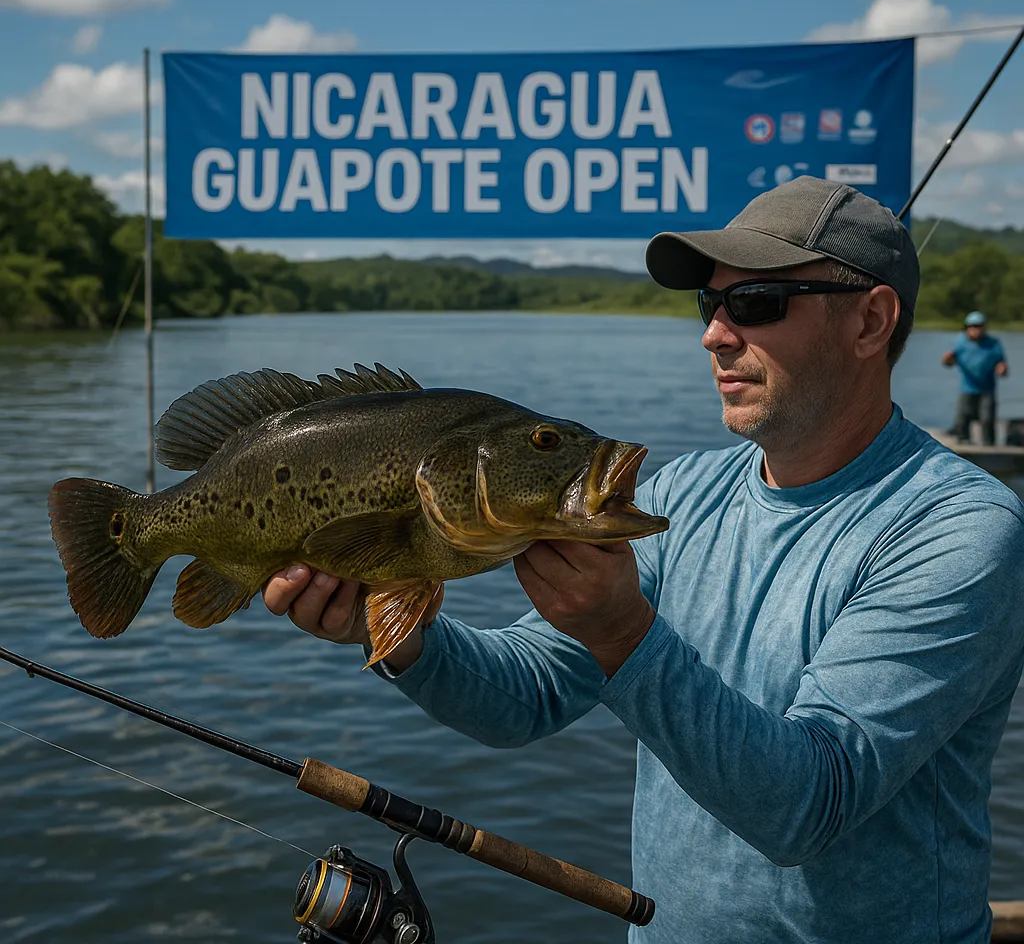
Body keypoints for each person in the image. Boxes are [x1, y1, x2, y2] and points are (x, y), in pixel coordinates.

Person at [262, 176, 1024, 944]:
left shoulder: (958, 530)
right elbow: (522, 696)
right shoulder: (684, 494)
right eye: (710, 304)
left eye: (755, 303)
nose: (716, 335)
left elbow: (808, 804)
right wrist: (395, 631)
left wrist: (625, 636)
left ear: (871, 321)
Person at [942, 311, 1009, 445]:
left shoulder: (993, 344)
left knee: (987, 418)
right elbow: (948, 362)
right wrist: (947, 359)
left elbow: (1002, 364)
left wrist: (1002, 369)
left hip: (987, 388)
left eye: (979, 326)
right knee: (963, 417)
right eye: (972, 326)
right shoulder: (960, 342)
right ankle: (963, 442)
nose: (976, 330)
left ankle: (989, 445)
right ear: (967, 328)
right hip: (967, 387)